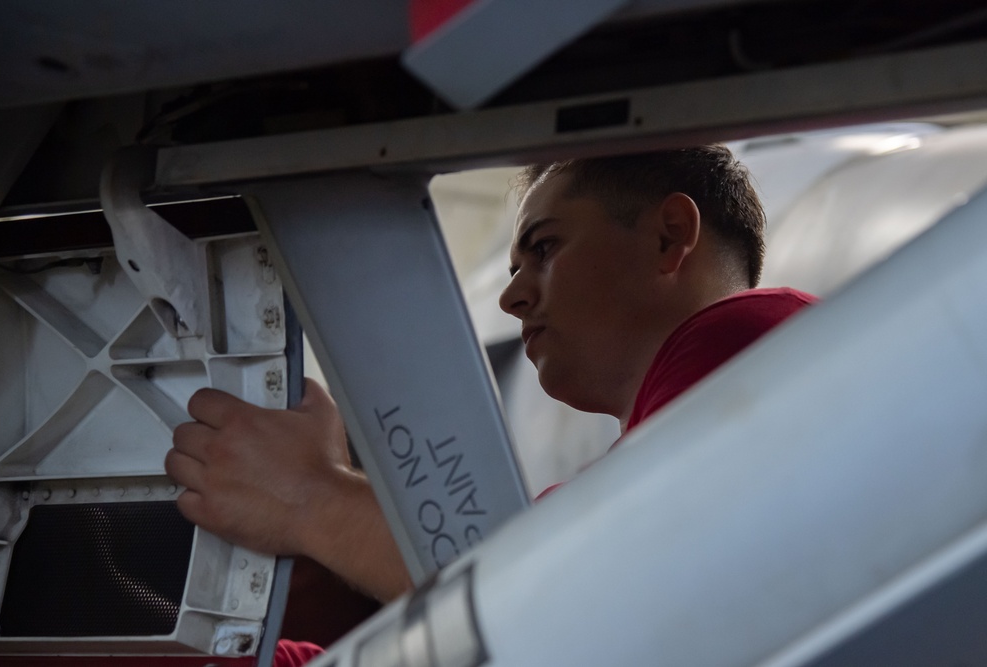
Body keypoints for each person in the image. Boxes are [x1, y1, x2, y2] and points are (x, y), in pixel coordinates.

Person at [164, 145, 815, 658]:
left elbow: (559, 602)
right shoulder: (647, 472)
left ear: (670, 237)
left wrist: (306, 494)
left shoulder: (758, 334)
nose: (512, 298)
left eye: (544, 248)